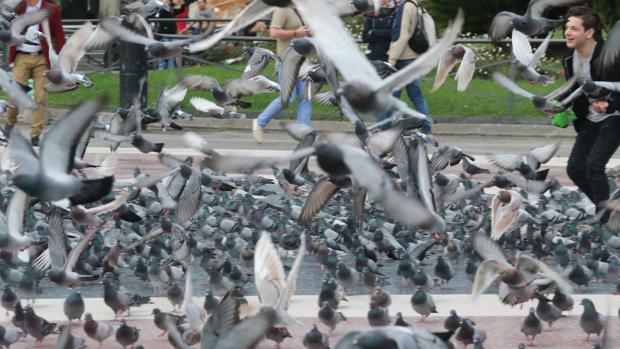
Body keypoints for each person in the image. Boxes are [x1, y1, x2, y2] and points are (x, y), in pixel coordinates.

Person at [559, 6, 620, 222]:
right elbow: (573, 88)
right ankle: (610, 207)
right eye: (567, 27)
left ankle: (604, 222)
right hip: (589, 119)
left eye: (574, 28)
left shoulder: (609, 56)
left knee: (594, 165)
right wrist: (558, 105)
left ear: (589, 32)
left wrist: (609, 104)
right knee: (575, 169)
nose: (567, 32)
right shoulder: (569, 57)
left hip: (616, 117)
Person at [4, 0, 65, 146]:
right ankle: (10, 123)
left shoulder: (52, 9)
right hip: (21, 56)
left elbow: (59, 35)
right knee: (15, 93)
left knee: (41, 96)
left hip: (42, 58)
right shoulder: (18, 7)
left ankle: (35, 134)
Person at [251, 8, 311, 144]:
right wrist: (296, 33)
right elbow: (274, 32)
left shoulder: (298, 8)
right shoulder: (282, 9)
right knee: (288, 99)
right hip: (287, 62)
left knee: (306, 98)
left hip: (302, 62)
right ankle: (260, 123)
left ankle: (305, 135)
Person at [386, 0, 431, 134]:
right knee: (417, 96)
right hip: (413, 57)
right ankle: (426, 129)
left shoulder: (405, 7)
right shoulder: (415, 5)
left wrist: (391, 60)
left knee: (394, 96)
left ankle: (395, 130)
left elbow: (402, 35)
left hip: (403, 58)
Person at [156, 0, 177, 70]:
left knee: (171, 52)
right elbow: (160, 20)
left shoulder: (170, 8)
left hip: (172, 33)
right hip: (164, 32)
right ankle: (161, 68)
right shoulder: (162, 9)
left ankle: (171, 68)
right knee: (162, 51)